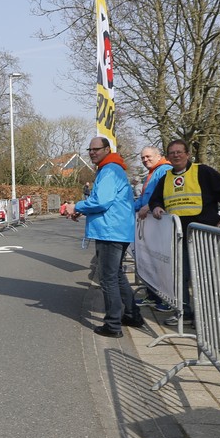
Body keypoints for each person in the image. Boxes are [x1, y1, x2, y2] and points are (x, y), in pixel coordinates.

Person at [148, 139, 220, 325]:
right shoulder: (166, 178)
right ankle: (184, 313)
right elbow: (155, 199)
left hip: (202, 235)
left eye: (179, 152)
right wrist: (156, 206)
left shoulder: (203, 172)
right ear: (167, 156)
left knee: (203, 276)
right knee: (180, 276)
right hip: (178, 236)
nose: (176, 155)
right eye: (172, 153)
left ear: (187, 154)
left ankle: (205, 316)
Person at [69, 138, 143, 337]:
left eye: (97, 149)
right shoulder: (112, 168)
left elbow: (101, 201)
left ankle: (113, 325)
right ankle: (132, 315)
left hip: (110, 230)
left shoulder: (109, 170)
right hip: (117, 229)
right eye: (90, 149)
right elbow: (105, 201)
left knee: (108, 278)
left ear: (107, 149)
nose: (92, 152)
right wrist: (82, 210)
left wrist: (76, 206)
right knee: (116, 275)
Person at [133, 146, 173, 309]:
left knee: (162, 263)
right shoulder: (153, 172)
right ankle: (153, 296)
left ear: (158, 156)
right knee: (151, 262)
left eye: (148, 156)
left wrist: (150, 206)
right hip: (152, 225)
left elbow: (164, 194)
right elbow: (144, 197)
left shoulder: (165, 170)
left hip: (160, 224)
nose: (145, 160)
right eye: (142, 157)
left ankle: (166, 299)